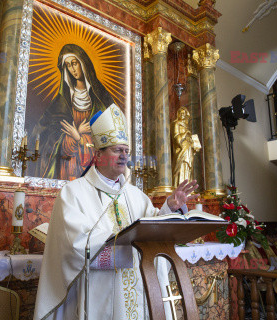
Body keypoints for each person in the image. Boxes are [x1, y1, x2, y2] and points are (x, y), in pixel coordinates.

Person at [34, 105, 199, 319]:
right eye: (117, 150)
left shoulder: (135, 195)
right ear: (98, 155)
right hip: (99, 295)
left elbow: (153, 224)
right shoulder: (73, 193)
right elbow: (74, 247)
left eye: (126, 151)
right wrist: (129, 253)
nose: (124, 157)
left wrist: (170, 207)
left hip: (139, 290)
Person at [36, 44, 115, 180]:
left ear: (83, 64)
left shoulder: (101, 98)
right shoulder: (61, 101)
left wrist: (80, 138)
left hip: (94, 167)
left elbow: (112, 139)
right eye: (68, 65)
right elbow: (47, 135)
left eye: (74, 63)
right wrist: (76, 135)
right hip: (68, 165)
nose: (72, 69)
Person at [172, 107, 200, 187]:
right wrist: (185, 134)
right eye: (180, 113)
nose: (182, 115)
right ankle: (180, 186)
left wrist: (192, 141)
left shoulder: (187, 126)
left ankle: (188, 185)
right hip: (181, 149)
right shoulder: (177, 123)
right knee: (181, 165)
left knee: (189, 165)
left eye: (184, 113)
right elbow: (176, 137)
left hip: (188, 148)